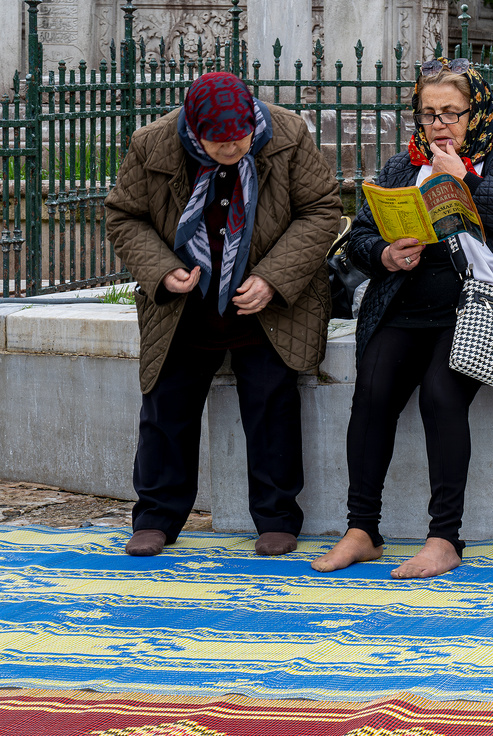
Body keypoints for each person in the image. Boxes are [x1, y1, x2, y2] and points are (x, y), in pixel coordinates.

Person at [311, 58, 493, 580]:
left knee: (442, 396)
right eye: (428, 114)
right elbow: (358, 237)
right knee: (372, 392)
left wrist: (464, 177)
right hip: (406, 301)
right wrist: (385, 254)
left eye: (451, 113)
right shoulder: (404, 166)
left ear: (477, 111)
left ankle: (444, 537)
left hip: (475, 307)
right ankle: (362, 530)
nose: (439, 124)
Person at [105, 72, 341, 558]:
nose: (233, 150)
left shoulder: (288, 134)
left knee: (272, 404)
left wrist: (273, 278)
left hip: (269, 306)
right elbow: (124, 215)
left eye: (241, 140)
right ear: (194, 129)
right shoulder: (152, 144)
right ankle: (156, 516)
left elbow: (322, 210)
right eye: (220, 143)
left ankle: (276, 518)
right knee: (165, 407)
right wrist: (164, 271)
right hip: (185, 306)